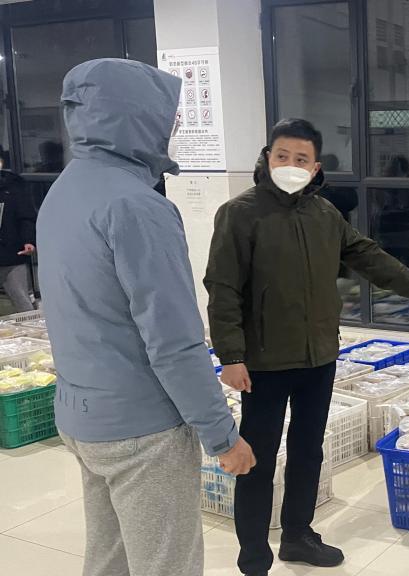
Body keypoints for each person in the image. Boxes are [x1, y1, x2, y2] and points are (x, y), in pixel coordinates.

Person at [205, 118, 409, 576]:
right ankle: (253, 554)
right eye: (282, 155)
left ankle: (298, 536)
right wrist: (231, 356)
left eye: (301, 158)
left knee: (308, 450)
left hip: (318, 357)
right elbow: (222, 288)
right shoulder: (239, 213)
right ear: (268, 157)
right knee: (256, 458)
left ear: (315, 166)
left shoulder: (324, 215)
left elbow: (371, 258)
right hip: (263, 362)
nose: (290, 164)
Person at [37, 59, 255, 576]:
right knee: (165, 565)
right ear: (135, 117)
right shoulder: (137, 206)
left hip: (81, 416)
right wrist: (222, 436)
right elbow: (173, 342)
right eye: (167, 116)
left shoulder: (63, 191)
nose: (172, 128)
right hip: (142, 430)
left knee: (109, 557)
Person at [0, 152, 38, 312]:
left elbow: (26, 216)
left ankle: (32, 325)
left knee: (21, 299)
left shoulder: (15, 185)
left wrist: (28, 240)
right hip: (12, 252)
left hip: (12, 253)